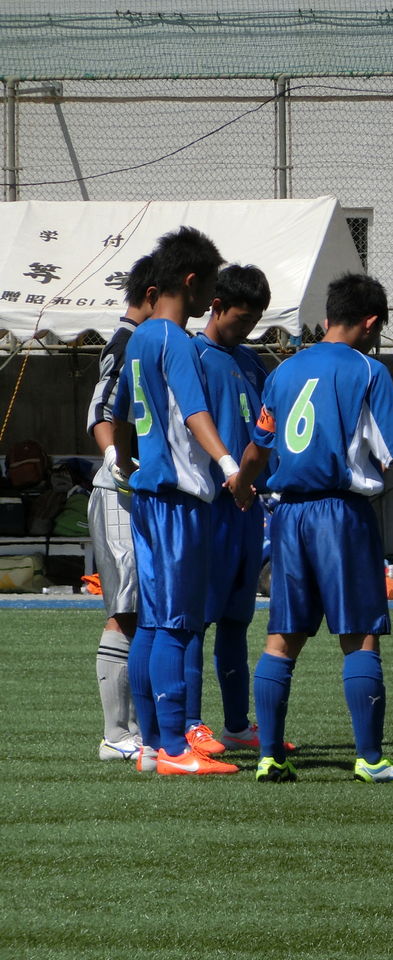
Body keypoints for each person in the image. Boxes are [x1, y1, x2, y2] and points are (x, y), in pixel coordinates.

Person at [234, 273, 393, 784]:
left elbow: (258, 447)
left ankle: (271, 755)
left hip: (290, 515)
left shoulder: (286, 370)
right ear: (370, 322)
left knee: (282, 637)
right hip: (341, 514)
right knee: (359, 637)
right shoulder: (367, 371)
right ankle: (370, 758)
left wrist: (243, 485)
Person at [113, 226, 242, 776]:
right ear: (190, 283)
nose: (211, 299)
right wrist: (230, 465)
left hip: (148, 497)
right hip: (178, 501)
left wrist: (125, 462)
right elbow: (194, 411)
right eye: (209, 288)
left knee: (151, 622)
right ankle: (171, 749)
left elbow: (114, 414)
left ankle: (149, 746)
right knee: (174, 624)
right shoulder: (175, 340)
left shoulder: (137, 338)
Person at [190, 264, 276, 753]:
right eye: (241, 318)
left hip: (249, 509)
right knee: (197, 620)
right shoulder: (194, 357)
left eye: (254, 321)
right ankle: (190, 723)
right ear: (216, 306)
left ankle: (237, 725)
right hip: (212, 507)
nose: (247, 329)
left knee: (238, 620)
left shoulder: (251, 360)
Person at [86, 254, 155, 761]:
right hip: (119, 493)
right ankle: (116, 735)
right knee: (126, 608)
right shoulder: (128, 339)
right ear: (154, 293)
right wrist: (117, 460)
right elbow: (101, 410)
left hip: (142, 493)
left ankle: (141, 729)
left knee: (147, 609)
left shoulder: (148, 339)